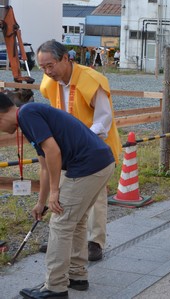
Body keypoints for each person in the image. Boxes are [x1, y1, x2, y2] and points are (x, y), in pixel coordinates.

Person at [0, 93, 115, 299]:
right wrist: (41, 201)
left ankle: (55, 287)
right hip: (101, 162)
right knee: (76, 221)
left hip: (87, 166)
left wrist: (55, 192)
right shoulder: (29, 117)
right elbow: (44, 166)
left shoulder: (27, 114)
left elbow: (53, 152)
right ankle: (77, 275)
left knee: (60, 223)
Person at [38, 40, 121, 262]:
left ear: (66, 58)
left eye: (51, 65)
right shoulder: (49, 83)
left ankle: (95, 242)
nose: (47, 71)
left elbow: (104, 119)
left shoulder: (92, 80)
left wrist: (84, 142)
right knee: (63, 192)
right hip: (68, 150)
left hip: (96, 147)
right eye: (43, 67)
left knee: (95, 197)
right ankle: (61, 238)